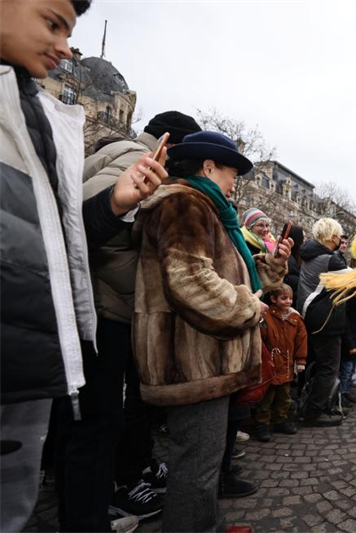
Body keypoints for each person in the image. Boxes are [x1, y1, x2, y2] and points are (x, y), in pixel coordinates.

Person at [1, 2, 166, 531]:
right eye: (53, 23)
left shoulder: (39, 116)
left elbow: (63, 240)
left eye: (70, 32)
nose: (66, 48)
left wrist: (115, 204)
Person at [132, 131, 291, 532]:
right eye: (231, 171)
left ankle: (211, 524)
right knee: (196, 464)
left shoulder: (211, 209)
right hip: (192, 359)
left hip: (204, 355)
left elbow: (234, 277)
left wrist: (269, 268)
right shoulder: (186, 203)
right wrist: (249, 308)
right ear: (208, 167)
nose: (235, 181)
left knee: (205, 458)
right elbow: (190, 281)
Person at [74, 111, 201, 523]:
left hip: (111, 303)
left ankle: (122, 480)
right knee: (103, 415)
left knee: (113, 412)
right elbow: (80, 221)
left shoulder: (135, 157)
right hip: (106, 306)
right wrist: (143, 280)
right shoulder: (134, 156)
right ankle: (104, 498)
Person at [296, 218, 349, 427]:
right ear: (333, 236)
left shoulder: (310, 254)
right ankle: (313, 413)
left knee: (318, 365)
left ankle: (311, 405)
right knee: (329, 367)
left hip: (310, 316)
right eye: (339, 235)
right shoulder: (329, 259)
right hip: (324, 320)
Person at [253, 284, 307, 441]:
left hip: (287, 364)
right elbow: (260, 338)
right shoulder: (266, 316)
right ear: (273, 299)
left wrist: (301, 360)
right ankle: (262, 424)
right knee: (266, 397)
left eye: (290, 298)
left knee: (284, 396)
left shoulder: (295, 319)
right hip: (270, 365)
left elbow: (301, 340)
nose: (288, 301)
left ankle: (280, 420)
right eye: (284, 298)